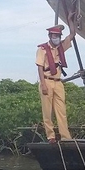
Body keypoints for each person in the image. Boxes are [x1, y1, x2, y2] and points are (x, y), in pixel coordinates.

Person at [36, 14, 78, 143]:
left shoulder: (61, 47)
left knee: (61, 111)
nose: (57, 38)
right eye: (55, 36)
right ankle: (51, 136)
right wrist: (43, 84)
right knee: (47, 111)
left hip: (58, 82)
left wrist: (70, 21)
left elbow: (72, 35)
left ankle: (65, 136)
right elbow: (40, 67)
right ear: (50, 36)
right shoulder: (42, 49)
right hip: (47, 80)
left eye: (58, 36)